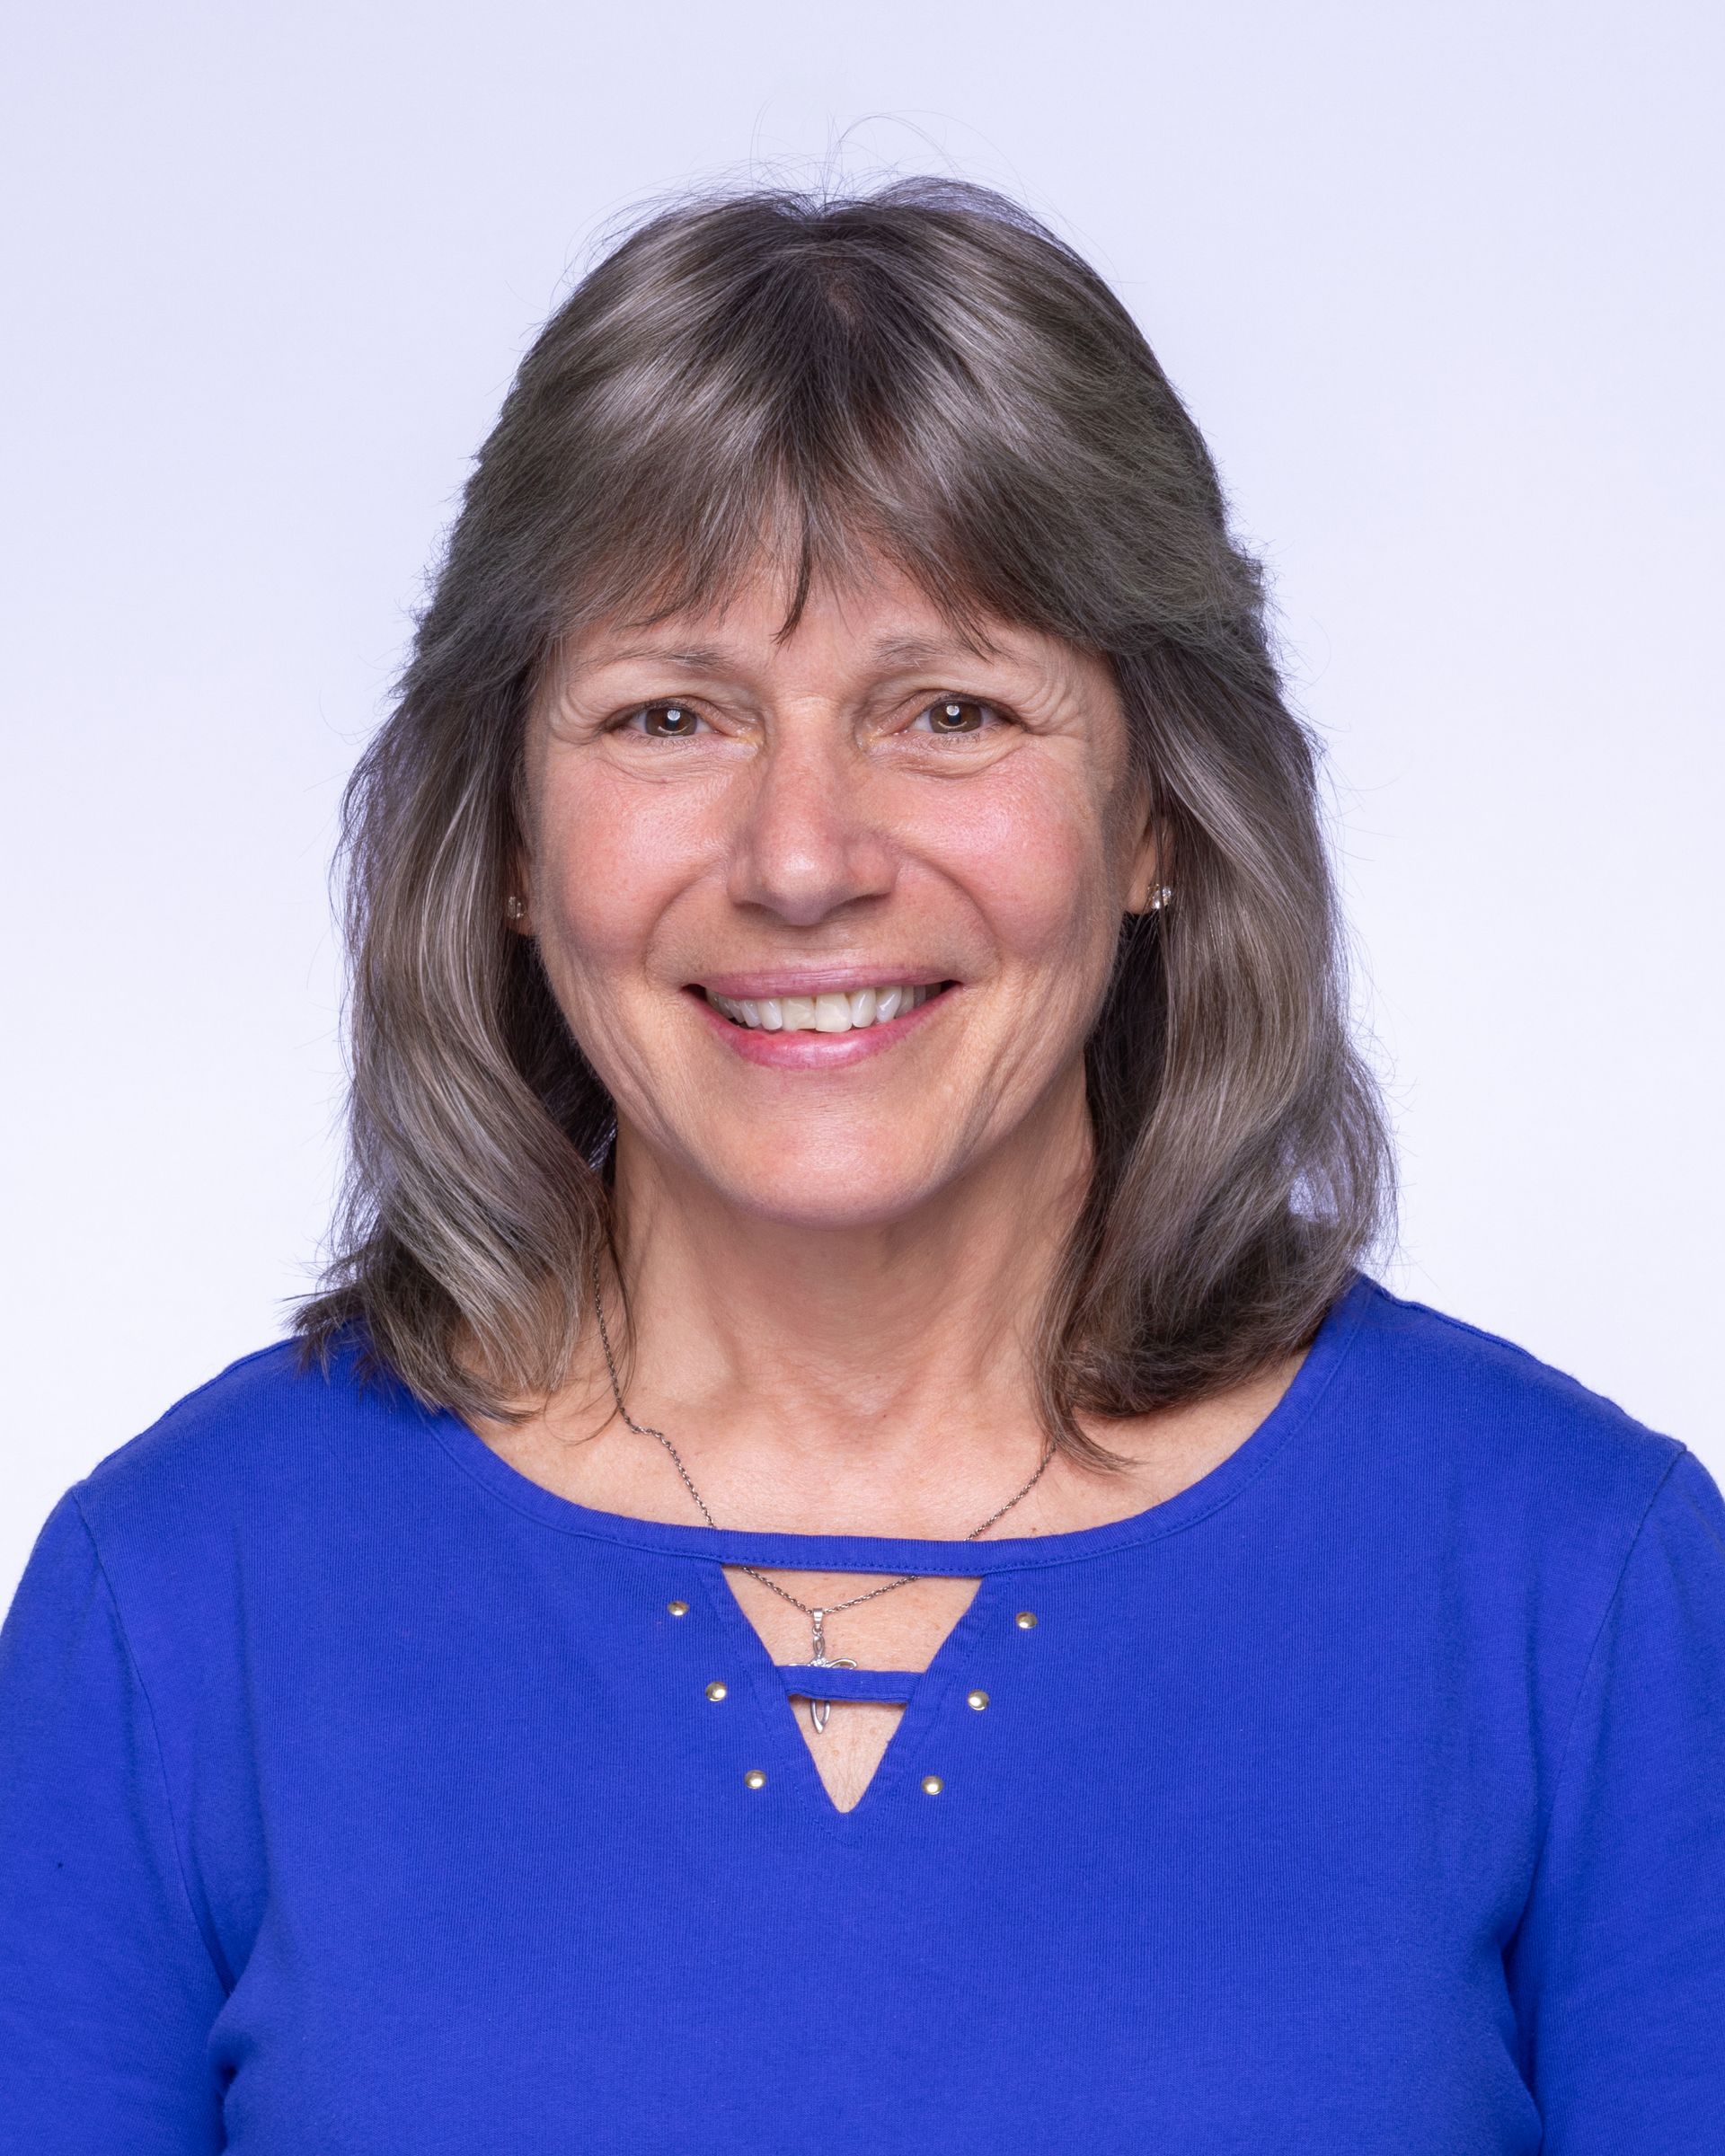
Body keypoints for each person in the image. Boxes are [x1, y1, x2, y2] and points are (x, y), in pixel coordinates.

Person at [2, 177, 1721, 2155]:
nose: (804, 855)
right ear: (498, 838)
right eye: (670, 714)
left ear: (1161, 812)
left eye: (951, 710)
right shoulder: (172, 1614)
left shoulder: (1576, 1601)